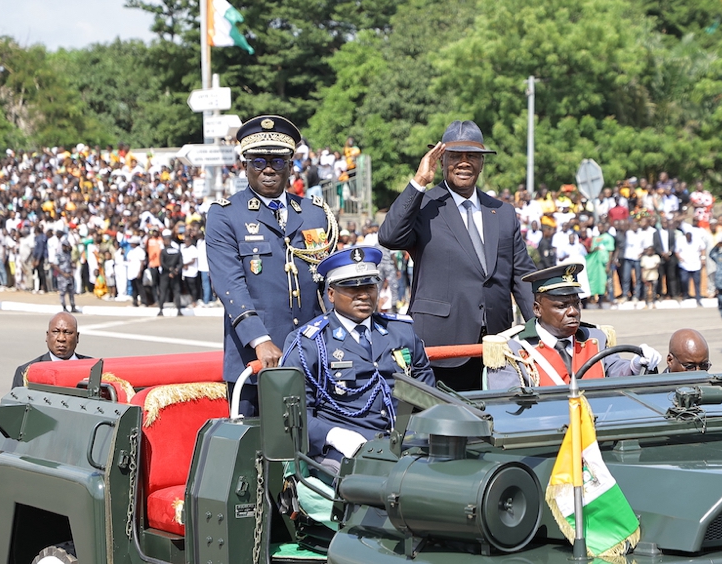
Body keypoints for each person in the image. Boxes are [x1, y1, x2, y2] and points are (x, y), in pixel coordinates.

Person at [378, 120, 535, 391]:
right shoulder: (425, 205)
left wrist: (538, 330)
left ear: (482, 162)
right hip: (442, 347)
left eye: (472, 155)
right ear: (441, 160)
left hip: (496, 347)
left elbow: (521, 275)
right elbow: (389, 236)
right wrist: (419, 182)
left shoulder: (503, 212)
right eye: (455, 156)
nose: (464, 162)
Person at [207, 115, 338, 416]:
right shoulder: (225, 215)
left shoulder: (313, 213)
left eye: (278, 161)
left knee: (313, 447)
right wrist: (260, 340)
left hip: (313, 355)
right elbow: (230, 285)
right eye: (258, 161)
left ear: (291, 166)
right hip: (255, 360)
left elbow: (328, 282)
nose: (268, 169)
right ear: (244, 166)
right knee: (257, 452)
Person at [281, 247, 433, 472]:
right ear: (331, 294)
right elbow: (293, 416)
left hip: (406, 443)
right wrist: (334, 436)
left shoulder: (401, 332)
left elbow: (428, 396)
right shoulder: (309, 343)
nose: (364, 295)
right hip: (345, 451)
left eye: (369, 286)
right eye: (352, 288)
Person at [483, 263, 662, 390]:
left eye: (576, 304)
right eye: (562, 306)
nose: (573, 312)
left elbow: (614, 370)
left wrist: (635, 365)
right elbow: (508, 406)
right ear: (537, 309)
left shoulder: (595, 337)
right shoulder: (512, 349)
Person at [11, 311, 90, 388]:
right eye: (55, 332)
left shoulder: (93, 368)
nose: (61, 338)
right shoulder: (27, 372)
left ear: (77, 337)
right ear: (47, 336)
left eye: (67, 332)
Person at [157, 229, 184, 316]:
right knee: (177, 291)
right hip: (175, 274)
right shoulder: (177, 250)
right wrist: (175, 270)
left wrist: (169, 270)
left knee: (163, 292)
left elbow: (162, 263)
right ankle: (179, 310)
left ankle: (161, 310)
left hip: (165, 274)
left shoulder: (164, 251)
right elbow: (181, 263)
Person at [57, 238, 78, 314]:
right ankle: (64, 307)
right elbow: (54, 265)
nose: (66, 247)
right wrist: (63, 273)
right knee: (62, 293)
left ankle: (73, 306)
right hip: (62, 276)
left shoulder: (68, 253)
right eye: (65, 246)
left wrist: (72, 270)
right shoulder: (59, 254)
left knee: (71, 292)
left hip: (69, 276)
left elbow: (70, 262)